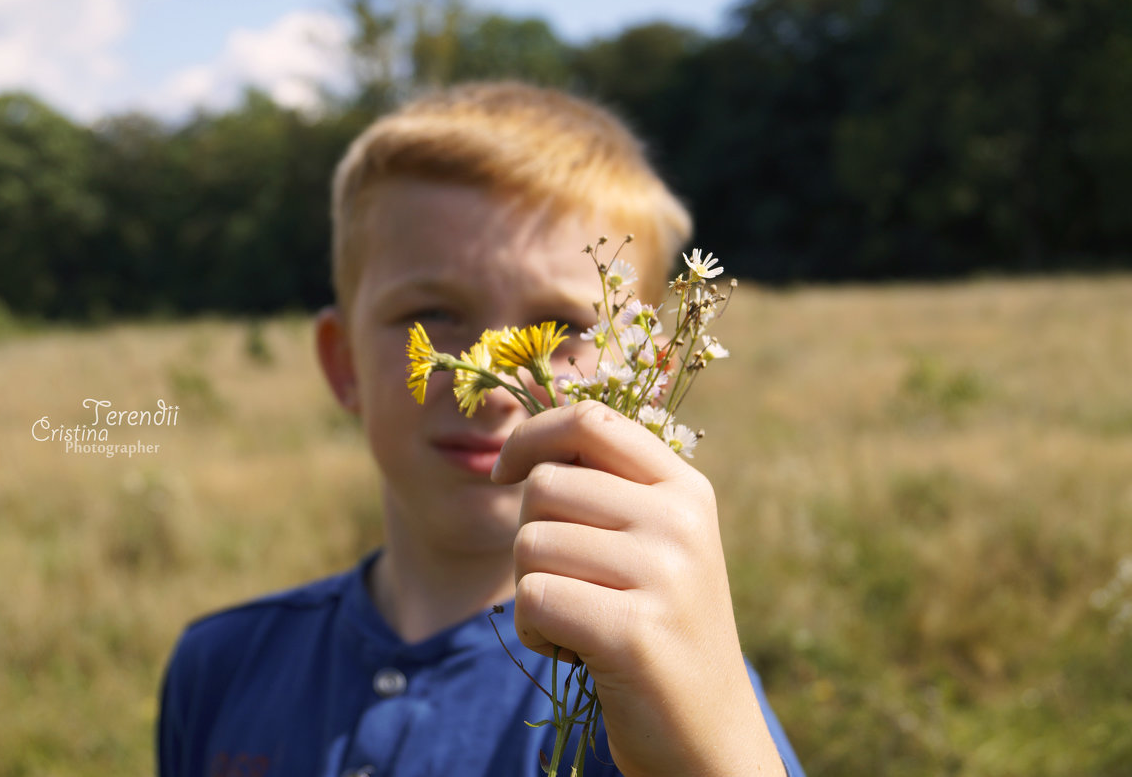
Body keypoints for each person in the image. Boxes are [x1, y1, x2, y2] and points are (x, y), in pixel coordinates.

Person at [157, 81, 805, 777]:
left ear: (649, 365)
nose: (489, 383)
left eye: (564, 328)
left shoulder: (661, 683)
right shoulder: (219, 666)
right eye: (433, 315)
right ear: (342, 362)